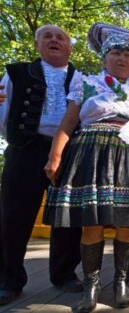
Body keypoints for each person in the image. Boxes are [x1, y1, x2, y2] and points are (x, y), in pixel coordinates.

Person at [43, 23, 129, 312]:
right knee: (92, 220)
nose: (122, 58)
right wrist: (55, 155)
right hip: (91, 152)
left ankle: (121, 282)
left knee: (127, 221)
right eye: (115, 53)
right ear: (104, 58)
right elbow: (69, 121)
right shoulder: (86, 83)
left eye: (127, 54)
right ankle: (91, 285)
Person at [0, 25, 82, 305]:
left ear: (70, 48)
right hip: (26, 148)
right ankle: (9, 279)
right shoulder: (16, 73)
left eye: (61, 37)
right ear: (37, 45)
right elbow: (3, 113)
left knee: (67, 216)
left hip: (69, 151)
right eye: (47, 36)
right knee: (14, 215)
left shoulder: (82, 78)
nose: (55, 40)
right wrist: (18, 140)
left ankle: (65, 274)